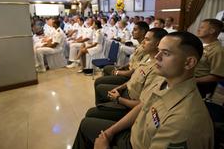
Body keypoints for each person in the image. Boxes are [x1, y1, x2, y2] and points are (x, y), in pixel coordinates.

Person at [72, 31, 214, 149]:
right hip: (134, 134)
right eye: (158, 51)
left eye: (166, 53)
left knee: (87, 125)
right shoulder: (166, 83)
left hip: (136, 144)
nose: (157, 57)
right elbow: (143, 107)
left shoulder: (183, 122)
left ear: (189, 62)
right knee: (88, 122)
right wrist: (109, 133)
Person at [86, 28, 168, 121]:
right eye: (144, 39)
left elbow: (142, 103)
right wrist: (119, 88)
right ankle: (104, 108)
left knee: (91, 112)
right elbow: (133, 76)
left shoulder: (157, 69)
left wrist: (118, 98)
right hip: (127, 89)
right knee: (100, 86)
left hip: (130, 100)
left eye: (147, 39)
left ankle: (106, 112)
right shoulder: (147, 57)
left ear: (158, 44)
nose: (143, 42)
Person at [94, 22, 149, 89]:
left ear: (142, 32)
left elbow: (134, 71)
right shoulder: (139, 46)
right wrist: (123, 66)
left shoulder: (144, 49)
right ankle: (109, 89)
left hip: (129, 76)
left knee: (98, 82)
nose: (132, 32)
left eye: (135, 30)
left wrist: (117, 72)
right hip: (127, 70)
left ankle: (110, 89)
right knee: (107, 68)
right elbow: (133, 62)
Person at [195, 18, 224, 97]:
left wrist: (194, 80)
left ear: (212, 31)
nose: (198, 29)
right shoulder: (200, 45)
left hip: (202, 87)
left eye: (202, 27)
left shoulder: (217, 50)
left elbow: (217, 76)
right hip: (193, 83)